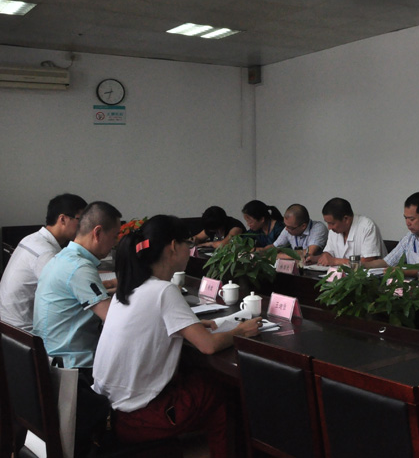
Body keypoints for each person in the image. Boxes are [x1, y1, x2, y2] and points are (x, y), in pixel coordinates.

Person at [92, 215, 260, 458]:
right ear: (173, 246)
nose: (189, 250)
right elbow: (208, 346)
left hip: (108, 411)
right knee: (222, 395)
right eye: (188, 244)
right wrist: (240, 331)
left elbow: (152, 324)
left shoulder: (128, 289)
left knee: (197, 378)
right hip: (138, 417)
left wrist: (189, 325)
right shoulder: (163, 291)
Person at [33, 201, 122, 368]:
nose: (115, 242)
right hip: (73, 368)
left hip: (49, 359)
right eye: (114, 236)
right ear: (98, 233)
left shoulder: (62, 257)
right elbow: (115, 319)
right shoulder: (79, 267)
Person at [0, 193, 87, 329]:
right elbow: (71, 292)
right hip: (23, 331)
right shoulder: (45, 253)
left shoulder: (32, 238)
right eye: (80, 220)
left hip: (7, 323)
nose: (84, 227)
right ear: (63, 219)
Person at [316, 198, 387, 265]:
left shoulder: (367, 227)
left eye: (332, 223)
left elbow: (368, 262)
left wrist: (335, 261)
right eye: (327, 223)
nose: (329, 228)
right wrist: (325, 256)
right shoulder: (334, 230)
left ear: (346, 219)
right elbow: (328, 252)